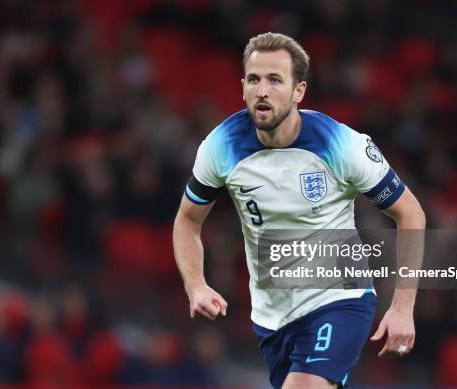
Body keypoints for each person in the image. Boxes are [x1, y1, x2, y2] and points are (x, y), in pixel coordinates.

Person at [173, 32, 426, 389]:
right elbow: (187, 219)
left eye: (275, 80)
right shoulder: (220, 147)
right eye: (255, 80)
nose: (263, 91)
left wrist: (402, 308)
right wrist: (195, 284)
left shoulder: (341, 145)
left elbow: (410, 214)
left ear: (298, 92)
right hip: (271, 317)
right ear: (243, 86)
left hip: (340, 298)